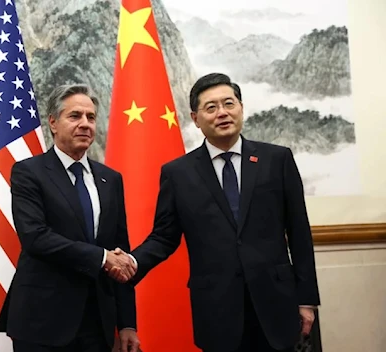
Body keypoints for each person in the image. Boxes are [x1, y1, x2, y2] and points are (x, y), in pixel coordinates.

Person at [110, 73, 321, 352]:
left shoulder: (277, 159)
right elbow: (164, 237)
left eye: (229, 104)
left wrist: (306, 299)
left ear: (241, 108)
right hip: (218, 310)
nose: (222, 113)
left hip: (278, 304)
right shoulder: (179, 173)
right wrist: (132, 264)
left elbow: (299, 233)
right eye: (211, 107)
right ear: (196, 118)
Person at [0, 84, 140, 352]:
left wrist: (128, 323)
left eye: (91, 117)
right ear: (53, 123)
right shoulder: (29, 172)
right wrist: (102, 257)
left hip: (97, 323)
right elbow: (35, 237)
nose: (85, 124)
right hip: (43, 321)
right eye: (75, 116)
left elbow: (121, 251)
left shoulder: (111, 179)